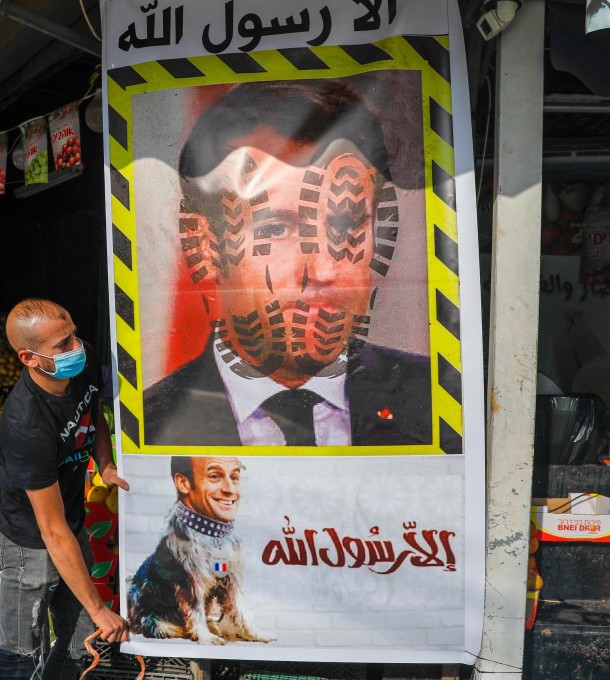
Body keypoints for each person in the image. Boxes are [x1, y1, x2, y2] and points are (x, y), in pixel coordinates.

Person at [144, 79, 431, 447]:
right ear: (204, 245)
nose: (325, 271)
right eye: (277, 229)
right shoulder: (149, 427)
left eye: (347, 227)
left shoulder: (437, 399)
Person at [0, 299, 130, 680]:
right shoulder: (27, 425)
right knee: (21, 648)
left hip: (70, 525)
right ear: (30, 358)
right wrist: (101, 608)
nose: (76, 348)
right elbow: (51, 530)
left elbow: (94, 410)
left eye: (73, 336)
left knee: (82, 637)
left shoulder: (81, 363)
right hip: (27, 541)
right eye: (62, 345)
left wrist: (105, 464)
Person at [127, 456, 269, 645]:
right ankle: (199, 627)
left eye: (234, 477)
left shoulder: (229, 537)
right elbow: (188, 592)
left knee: (233, 583)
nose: (230, 489)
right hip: (159, 618)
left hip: (198, 614)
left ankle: (244, 626)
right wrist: (199, 629)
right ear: (183, 483)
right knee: (184, 596)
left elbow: (232, 589)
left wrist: (248, 627)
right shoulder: (178, 538)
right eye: (214, 476)